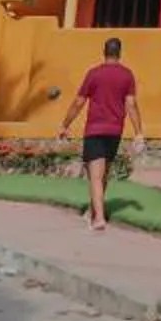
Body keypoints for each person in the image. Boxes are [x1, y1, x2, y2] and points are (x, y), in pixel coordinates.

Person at [60, 36, 142, 230]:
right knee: (103, 175)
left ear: (104, 52)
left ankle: (99, 218)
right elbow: (131, 104)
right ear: (119, 53)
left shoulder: (94, 74)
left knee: (95, 176)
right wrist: (139, 132)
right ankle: (92, 211)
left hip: (95, 130)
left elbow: (79, 102)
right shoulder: (127, 75)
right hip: (115, 130)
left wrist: (65, 124)